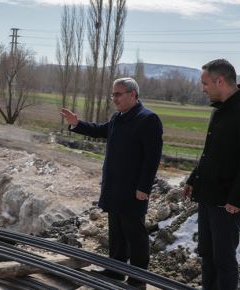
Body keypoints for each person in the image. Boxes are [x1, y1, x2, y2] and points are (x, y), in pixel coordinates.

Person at [60, 77, 163, 289]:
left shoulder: (148, 119)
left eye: (118, 94)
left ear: (132, 95)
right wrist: (77, 124)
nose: (114, 98)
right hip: (114, 186)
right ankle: (115, 270)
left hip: (133, 189)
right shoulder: (119, 117)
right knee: (116, 230)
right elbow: (99, 130)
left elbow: (152, 158)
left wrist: (144, 188)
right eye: (113, 94)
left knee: (135, 233)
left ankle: (138, 278)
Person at [184, 59, 240, 290]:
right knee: (208, 255)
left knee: (223, 259)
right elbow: (210, 153)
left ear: (219, 81)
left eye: (205, 83)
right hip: (208, 195)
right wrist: (193, 179)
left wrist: (236, 199)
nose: (203, 88)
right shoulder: (220, 110)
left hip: (226, 201)